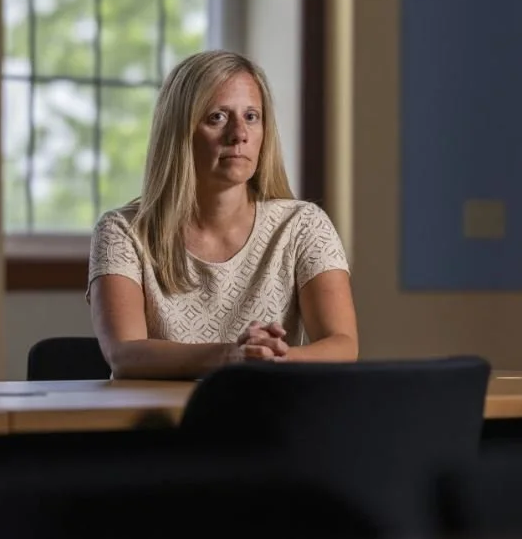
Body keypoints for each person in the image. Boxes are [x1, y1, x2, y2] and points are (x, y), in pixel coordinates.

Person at [87, 50, 358, 379]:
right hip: (158, 426)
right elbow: (124, 354)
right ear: (180, 132)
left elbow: (343, 346)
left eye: (251, 117)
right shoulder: (122, 231)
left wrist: (276, 359)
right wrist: (231, 356)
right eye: (217, 117)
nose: (239, 134)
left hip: (266, 422)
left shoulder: (303, 225)